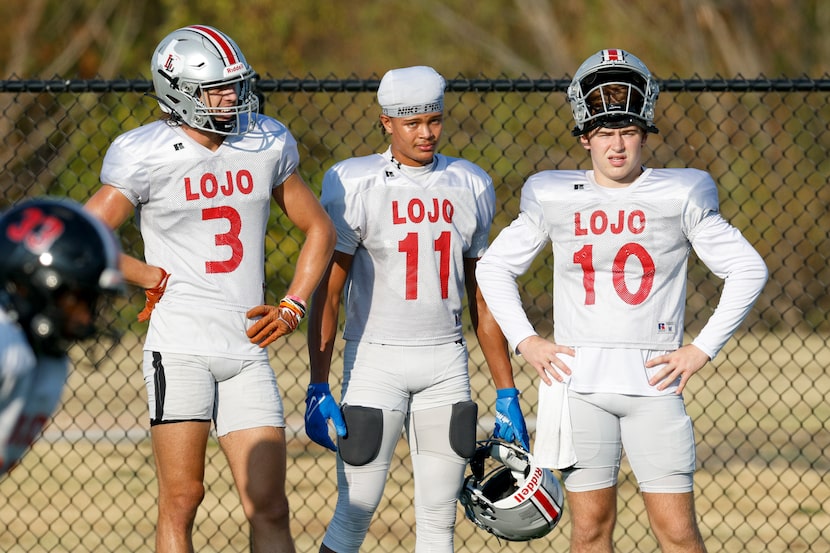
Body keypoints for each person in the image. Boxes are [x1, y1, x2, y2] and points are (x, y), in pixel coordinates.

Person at [475, 49, 768, 553]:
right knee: (589, 533)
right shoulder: (553, 193)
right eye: (606, 133)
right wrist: (526, 341)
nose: (617, 145)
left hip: (653, 385)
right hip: (579, 385)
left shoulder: (681, 191)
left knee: (678, 533)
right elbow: (493, 267)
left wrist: (702, 349)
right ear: (585, 136)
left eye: (628, 132)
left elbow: (748, 268)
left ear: (645, 134)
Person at [83, 25, 335, 553]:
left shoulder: (264, 142)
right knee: (183, 498)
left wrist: (292, 304)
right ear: (178, 91)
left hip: (247, 350)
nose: (233, 98)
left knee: (268, 504)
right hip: (180, 348)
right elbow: (79, 235)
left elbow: (320, 229)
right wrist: (144, 274)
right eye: (218, 88)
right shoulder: (146, 152)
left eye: (235, 85)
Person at [305, 65, 527, 553]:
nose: (426, 133)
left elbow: (482, 295)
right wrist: (318, 380)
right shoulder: (353, 181)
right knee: (354, 511)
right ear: (386, 122)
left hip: (445, 361)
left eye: (434, 120)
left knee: (438, 521)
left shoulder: (468, 182)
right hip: (374, 360)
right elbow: (329, 287)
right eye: (413, 123)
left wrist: (507, 389)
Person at [1, 198, 124, 476]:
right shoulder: (6, 346)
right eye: (78, 299)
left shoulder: (47, 363)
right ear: (34, 284)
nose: (86, 320)